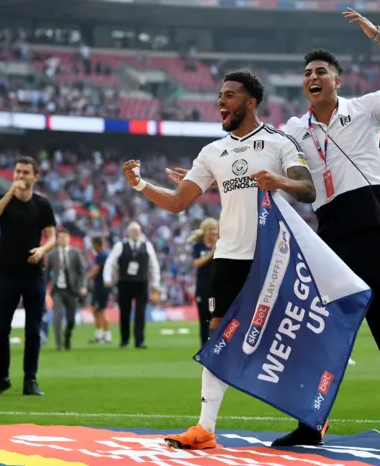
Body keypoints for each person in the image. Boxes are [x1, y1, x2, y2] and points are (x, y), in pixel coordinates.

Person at [166, 10, 380, 444]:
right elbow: (257, 162)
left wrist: (377, 35)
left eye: (321, 71)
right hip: (329, 238)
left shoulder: (364, 109)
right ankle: (311, 425)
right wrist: (204, 181)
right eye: (307, 73)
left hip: (376, 228)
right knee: (313, 333)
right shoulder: (293, 130)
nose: (312, 77)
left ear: (337, 80)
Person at [124, 70, 315, 450]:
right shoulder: (212, 152)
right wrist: (141, 185)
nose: (221, 102)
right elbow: (179, 202)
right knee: (218, 340)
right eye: (219, 96)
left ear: (250, 101)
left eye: (229, 95)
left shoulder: (280, 143)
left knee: (284, 339)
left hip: (271, 258)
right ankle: (205, 428)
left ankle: (310, 420)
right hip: (228, 258)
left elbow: (307, 188)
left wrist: (279, 182)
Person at [0, 156, 56, 396]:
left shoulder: (42, 205)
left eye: (25, 173)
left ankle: (30, 380)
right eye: (17, 172)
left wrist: (42, 250)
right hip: (7, 276)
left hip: (34, 275)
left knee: (33, 330)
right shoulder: (3, 200)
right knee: (1, 330)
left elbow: (52, 237)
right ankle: (1, 377)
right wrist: (9, 194)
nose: (20, 176)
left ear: (35, 177)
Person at [103, 221, 161, 349]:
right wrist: (107, 277)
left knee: (140, 312)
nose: (135, 233)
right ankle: (124, 340)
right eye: (132, 230)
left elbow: (154, 265)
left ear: (140, 232)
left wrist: (156, 283)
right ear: (128, 232)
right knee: (124, 312)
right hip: (124, 283)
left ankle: (139, 340)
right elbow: (110, 262)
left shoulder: (148, 246)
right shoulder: (120, 246)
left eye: (137, 230)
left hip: (141, 283)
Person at [47, 227, 87, 351]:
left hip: (72, 290)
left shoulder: (76, 253)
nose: (63, 239)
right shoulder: (52, 254)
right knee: (57, 317)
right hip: (57, 290)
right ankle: (59, 345)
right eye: (60, 237)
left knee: (71, 320)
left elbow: (82, 272)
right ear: (57, 239)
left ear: (69, 239)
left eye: (65, 237)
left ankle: (67, 337)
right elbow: (46, 273)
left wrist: (83, 286)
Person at [187, 218, 219, 347]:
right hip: (203, 288)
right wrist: (212, 253)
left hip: (217, 289)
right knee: (203, 317)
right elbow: (196, 263)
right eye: (210, 229)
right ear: (205, 231)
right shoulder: (198, 247)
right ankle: (204, 345)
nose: (213, 232)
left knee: (215, 316)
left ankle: (215, 344)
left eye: (214, 229)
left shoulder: (222, 245)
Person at [87, 236, 112, 344]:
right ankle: (103, 334)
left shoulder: (102, 255)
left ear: (97, 244)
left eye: (93, 244)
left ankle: (103, 335)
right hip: (102, 286)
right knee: (98, 310)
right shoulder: (104, 255)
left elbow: (95, 271)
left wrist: (85, 278)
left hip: (101, 287)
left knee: (100, 310)